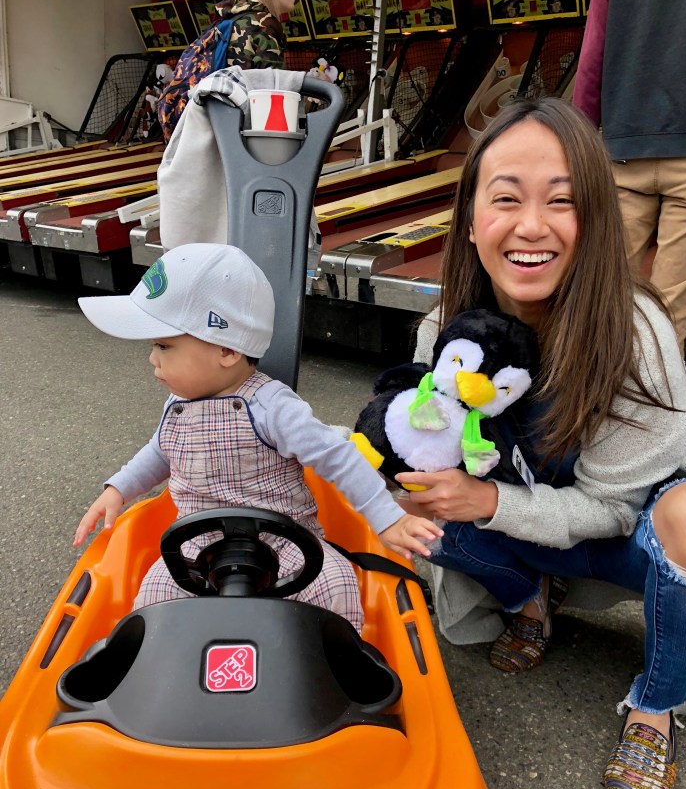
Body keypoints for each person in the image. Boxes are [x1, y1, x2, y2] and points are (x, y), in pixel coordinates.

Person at [400, 97, 686, 789]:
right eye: (505, 198)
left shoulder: (635, 332)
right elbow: (413, 454)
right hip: (523, 523)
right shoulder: (444, 329)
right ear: (471, 220)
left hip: (624, 536)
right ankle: (531, 599)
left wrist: (490, 500)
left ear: (597, 219)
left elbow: (612, 510)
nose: (531, 226)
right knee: (414, 507)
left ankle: (655, 707)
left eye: (562, 201)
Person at [74, 243, 442, 632]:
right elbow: (160, 452)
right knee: (152, 601)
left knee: (336, 584)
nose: (152, 358)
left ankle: (335, 657)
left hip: (286, 544)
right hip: (195, 545)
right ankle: (158, 662)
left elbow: (339, 457)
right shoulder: (177, 405)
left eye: (163, 345)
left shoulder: (272, 408)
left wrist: (387, 520)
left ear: (226, 349)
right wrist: (118, 488)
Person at [572, 0, 686, 351]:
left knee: (600, 303)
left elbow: (592, 59)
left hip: (624, 151)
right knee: (668, 318)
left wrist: (578, 145)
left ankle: (590, 385)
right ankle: (659, 384)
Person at [156, 0, 290, 143]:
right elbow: (274, 98)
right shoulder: (265, 24)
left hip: (204, 129)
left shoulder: (228, 19)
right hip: (237, 137)